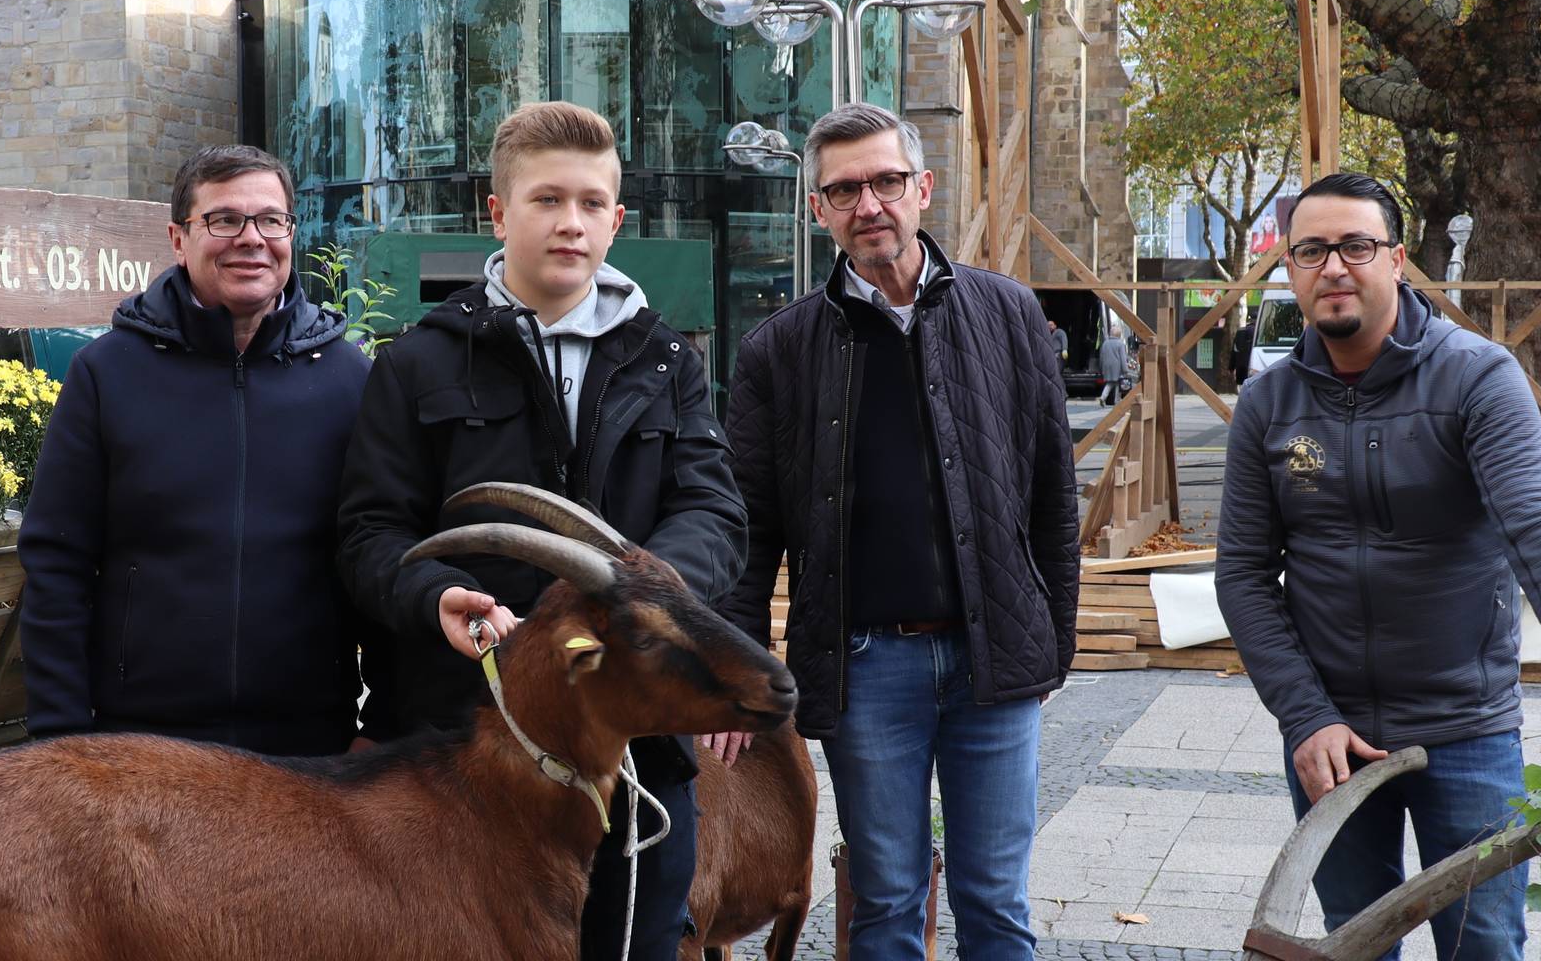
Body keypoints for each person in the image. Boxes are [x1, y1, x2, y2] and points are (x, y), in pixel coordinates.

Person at [1216, 172, 1541, 961]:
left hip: (1467, 727)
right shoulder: (1269, 404)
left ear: (1396, 260)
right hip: (1334, 732)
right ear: (1289, 270)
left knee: (1484, 942)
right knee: (1350, 943)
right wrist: (1305, 714)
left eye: (1356, 245)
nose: (1334, 267)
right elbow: (1244, 576)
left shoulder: (1476, 378)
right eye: (1312, 250)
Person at [336, 100, 745, 961]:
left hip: (635, 756)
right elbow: (368, 535)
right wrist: (433, 596)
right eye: (547, 200)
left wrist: (644, 598)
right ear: (497, 211)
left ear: (618, 218)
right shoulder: (417, 363)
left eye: (593, 203)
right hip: (459, 758)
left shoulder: (669, 362)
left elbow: (714, 514)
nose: (572, 223)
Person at [717, 104, 1079, 961]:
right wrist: (733, 671)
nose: (868, 204)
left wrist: (1051, 644)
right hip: (866, 666)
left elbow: (1053, 498)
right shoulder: (779, 351)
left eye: (885, 182)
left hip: (994, 660)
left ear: (922, 188)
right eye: (844, 190)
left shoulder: (1010, 314)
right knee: (884, 899)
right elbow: (746, 530)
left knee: (996, 901)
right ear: (819, 212)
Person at [17, 144, 375, 755]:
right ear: (179, 239)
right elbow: (57, 562)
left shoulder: (348, 379)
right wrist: (59, 739)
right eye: (224, 220)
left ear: (291, 233)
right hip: (144, 742)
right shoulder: (107, 374)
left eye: (271, 220)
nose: (251, 238)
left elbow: (376, 553)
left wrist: (383, 727)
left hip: (308, 747)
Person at [1097, 324, 1130, 406]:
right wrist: (1125, 370)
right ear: (1119, 334)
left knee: (1109, 384)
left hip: (1107, 367)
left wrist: (1101, 368)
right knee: (1119, 384)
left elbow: (1101, 357)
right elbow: (1123, 358)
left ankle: (1103, 397)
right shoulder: (1120, 344)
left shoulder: (1105, 343)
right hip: (1117, 368)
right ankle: (1117, 401)